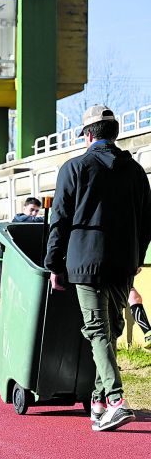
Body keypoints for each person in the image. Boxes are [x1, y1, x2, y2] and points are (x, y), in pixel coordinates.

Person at [45, 104, 151, 432]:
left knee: (98, 331)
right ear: (114, 133)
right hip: (123, 263)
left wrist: (53, 264)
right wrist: (137, 259)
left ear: (88, 135)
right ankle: (98, 402)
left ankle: (117, 400)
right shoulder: (135, 171)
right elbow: (146, 221)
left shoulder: (74, 167)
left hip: (86, 262)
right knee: (111, 331)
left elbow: (59, 219)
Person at [0, 197, 44, 344]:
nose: (34, 213)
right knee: (1, 296)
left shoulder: (34, 224)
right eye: (31, 209)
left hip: (20, 264)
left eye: (37, 211)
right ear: (24, 208)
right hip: (3, 262)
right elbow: (24, 220)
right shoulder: (19, 219)